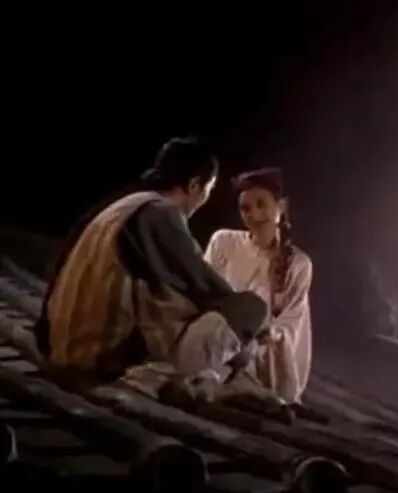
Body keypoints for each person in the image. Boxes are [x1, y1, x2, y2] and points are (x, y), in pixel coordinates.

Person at [33, 137, 267, 395]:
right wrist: (253, 328)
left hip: (61, 350)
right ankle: (159, 378)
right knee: (252, 308)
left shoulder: (122, 206)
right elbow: (208, 287)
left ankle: (199, 378)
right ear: (194, 185)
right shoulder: (159, 212)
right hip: (97, 361)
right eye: (207, 191)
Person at [204, 167, 313, 404]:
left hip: (262, 352)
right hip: (219, 337)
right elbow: (206, 292)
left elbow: (291, 321)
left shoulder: (298, 264)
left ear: (281, 206)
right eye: (246, 208)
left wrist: (267, 334)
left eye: (261, 204)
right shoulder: (224, 242)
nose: (254, 215)